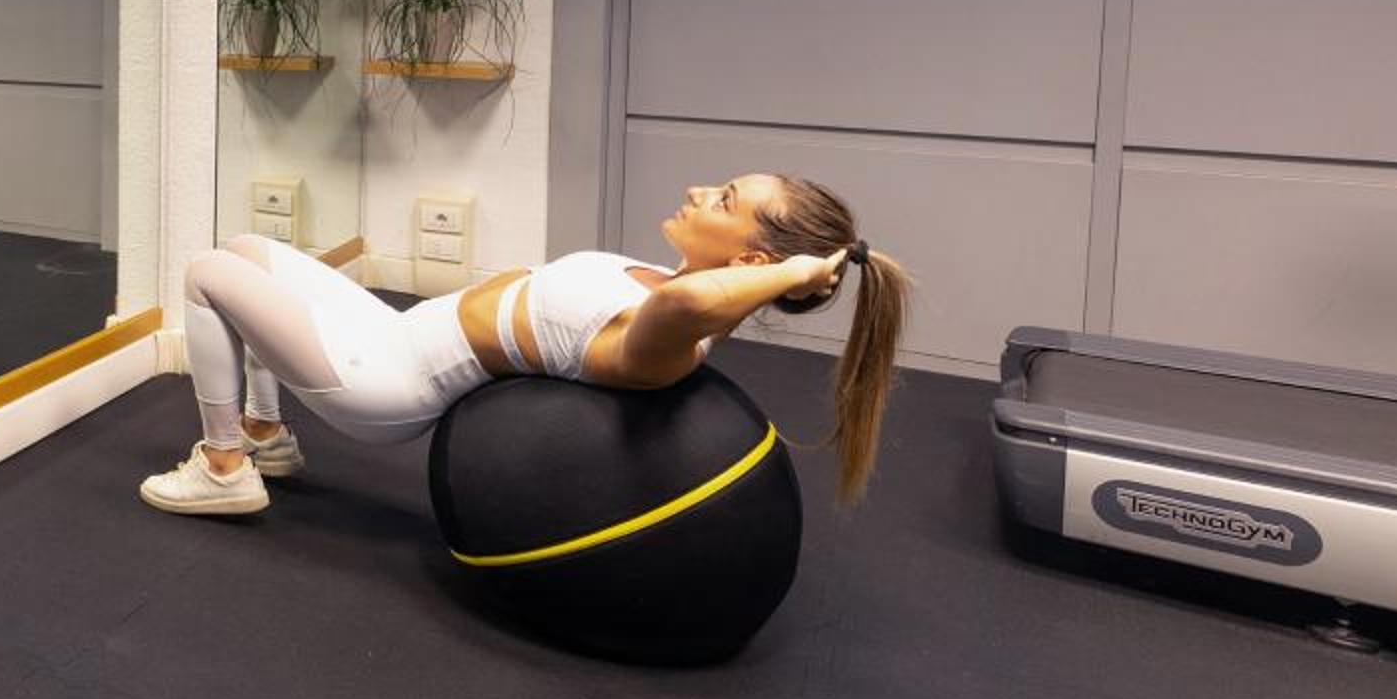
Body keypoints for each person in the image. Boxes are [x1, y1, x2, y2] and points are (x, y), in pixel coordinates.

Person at [144, 173, 909, 516]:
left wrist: (797, 271)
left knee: (207, 273)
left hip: (382, 384)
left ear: (750, 262)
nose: (699, 192)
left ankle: (223, 468)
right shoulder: (658, 281)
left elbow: (690, 304)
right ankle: (266, 435)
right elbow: (691, 291)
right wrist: (785, 271)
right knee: (245, 250)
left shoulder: (664, 339)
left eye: (725, 200)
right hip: (392, 332)